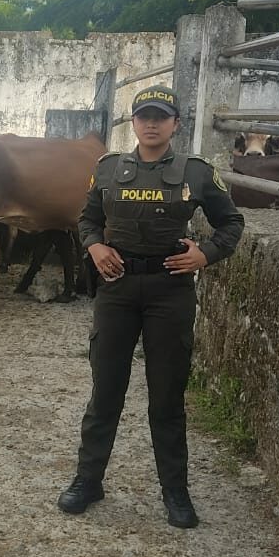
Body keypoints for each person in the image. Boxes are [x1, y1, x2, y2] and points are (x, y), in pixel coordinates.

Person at [58, 85, 244, 528]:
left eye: (161, 116)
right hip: (117, 290)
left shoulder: (196, 172)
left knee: (166, 397)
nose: (152, 123)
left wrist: (206, 254)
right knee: (105, 392)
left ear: (175, 124)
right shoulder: (107, 169)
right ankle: (88, 480)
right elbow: (87, 218)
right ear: (134, 123)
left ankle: (175, 492)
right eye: (144, 116)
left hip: (170, 290)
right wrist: (95, 246)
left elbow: (231, 222)